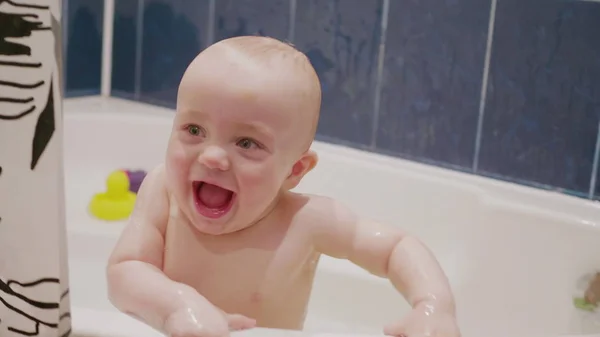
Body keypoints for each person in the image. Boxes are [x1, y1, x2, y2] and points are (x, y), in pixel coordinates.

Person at [106, 35, 461, 337]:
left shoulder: (306, 222)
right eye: (194, 130)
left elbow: (395, 247)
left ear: (294, 170)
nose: (212, 156)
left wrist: (433, 306)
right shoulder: (162, 191)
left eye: (246, 143)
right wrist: (178, 306)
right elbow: (125, 273)